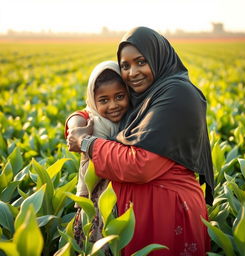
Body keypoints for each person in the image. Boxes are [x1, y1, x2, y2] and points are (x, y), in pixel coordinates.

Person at [67, 27, 214, 256]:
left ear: (158, 57)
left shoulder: (176, 95)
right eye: (125, 66)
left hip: (166, 216)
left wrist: (87, 143)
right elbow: (95, 112)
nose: (132, 72)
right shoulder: (147, 95)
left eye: (141, 61)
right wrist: (76, 122)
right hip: (139, 219)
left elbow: (141, 165)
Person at [65, 60, 129, 250]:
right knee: (94, 243)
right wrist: (77, 128)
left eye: (119, 96)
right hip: (93, 199)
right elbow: (77, 119)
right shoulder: (91, 121)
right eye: (104, 100)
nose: (113, 105)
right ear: (93, 100)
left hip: (123, 198)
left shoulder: (133, 118)